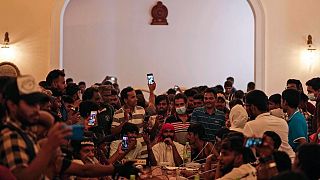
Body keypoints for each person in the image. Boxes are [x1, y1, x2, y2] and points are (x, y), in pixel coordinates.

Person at [0, 75, 72, 179]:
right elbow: (22, 177)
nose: (37, 109)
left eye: (37, 104)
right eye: (30, 104)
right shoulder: (10, 135)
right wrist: (49, 145)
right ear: (12, 105)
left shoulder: (25, 128)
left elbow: (49, 119)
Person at [243, 90, 295, 159]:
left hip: (271, 164)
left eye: (246, 105)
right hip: (290, 159)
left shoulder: (250, 125)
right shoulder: (282, 122)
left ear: (252, 107)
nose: (245, 109)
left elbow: (249, 153)